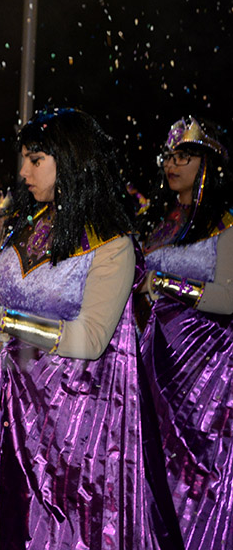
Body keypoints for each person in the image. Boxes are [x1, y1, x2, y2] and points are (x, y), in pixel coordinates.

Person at [0, 108, 157, 548]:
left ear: (72, 162)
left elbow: (93, 339)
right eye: (23, 159)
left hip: (70, 421)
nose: (22, 172)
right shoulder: (29, 225)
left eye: (35, 160)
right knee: (3, 519)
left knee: (51, 530)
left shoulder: (112, 244)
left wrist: (4, 321)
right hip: (12, 405)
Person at [137, 116, 233, 549]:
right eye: (169, 156)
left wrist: (169, 285)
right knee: (155, 466)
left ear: (208, 163)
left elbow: (229, 298)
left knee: (202, 473)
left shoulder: (226, 221)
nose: (172, 163)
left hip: (208, 370)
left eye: (185, 155)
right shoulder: (158, 222)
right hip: (157, 362)